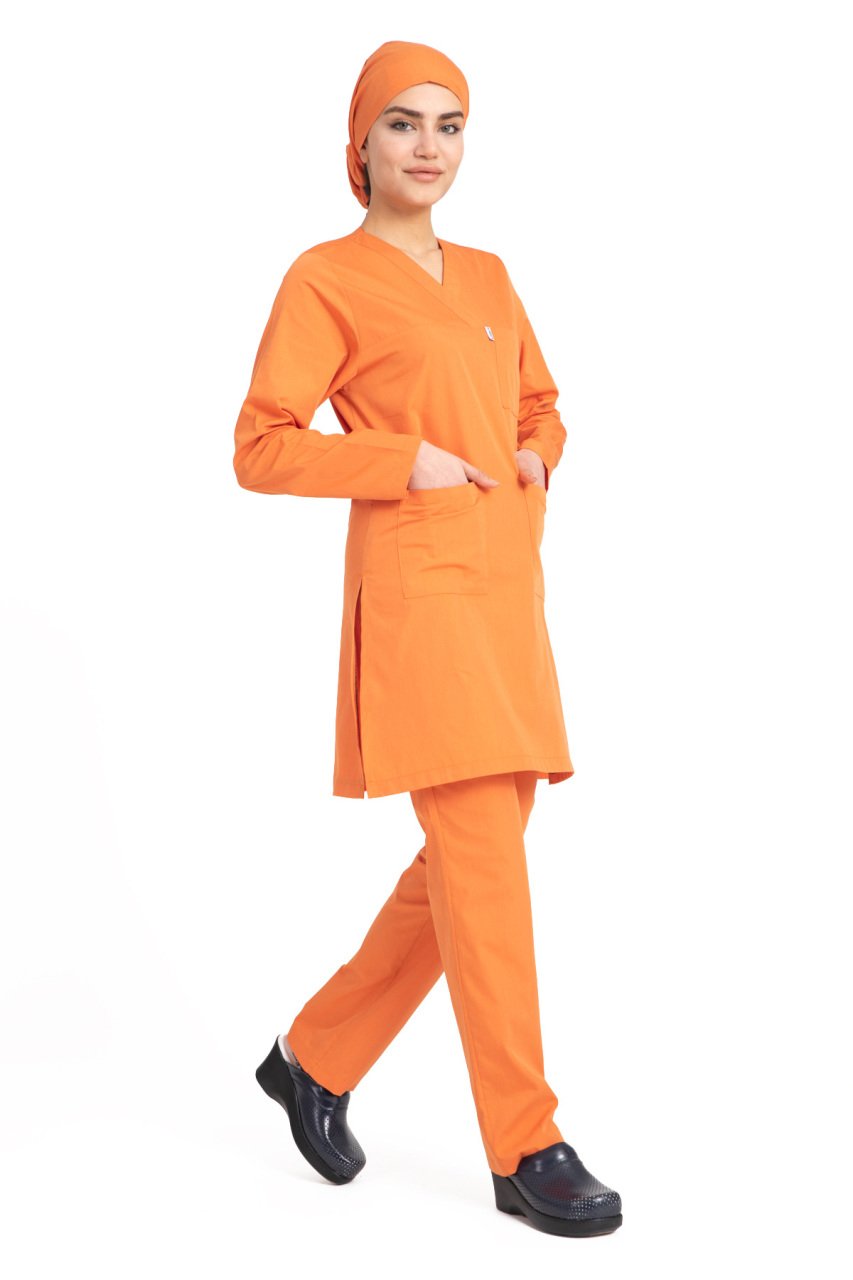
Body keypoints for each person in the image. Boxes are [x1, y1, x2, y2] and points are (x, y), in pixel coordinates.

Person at [235, 40, 622, 1238]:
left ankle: (317, 1052)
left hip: (504, 591)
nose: (427, 146)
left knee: (476, 852)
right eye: (402, 123)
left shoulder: (491, 277)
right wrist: (400, 458)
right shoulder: (327, 279)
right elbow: (262, 444)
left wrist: (535, 453)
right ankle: (526, 1141)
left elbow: (541, 404)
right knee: (484, 863)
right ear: (359, 144)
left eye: (449, 125)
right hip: (420, 595)